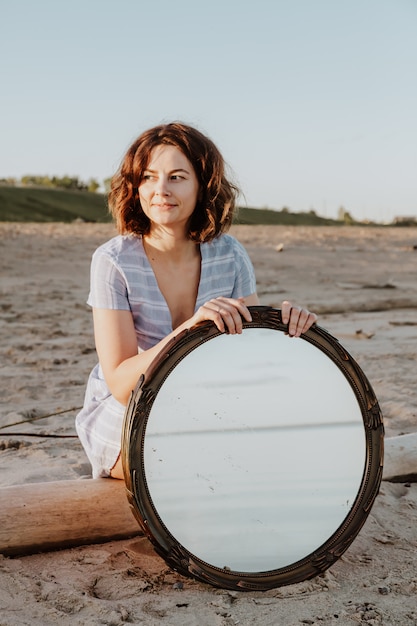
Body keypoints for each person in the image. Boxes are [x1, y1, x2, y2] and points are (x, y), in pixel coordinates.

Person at [76, 122, 317, 480]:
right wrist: (189, 330)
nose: (160, 190)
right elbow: (122, 385)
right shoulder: (113, 261)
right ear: (135, 185)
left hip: (206, 404)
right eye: (148, 177)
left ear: (203, 184)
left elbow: (252, 361)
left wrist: (284, 328)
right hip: (130, 409)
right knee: (182, 467)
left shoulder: (230, 255)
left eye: (176, 177)